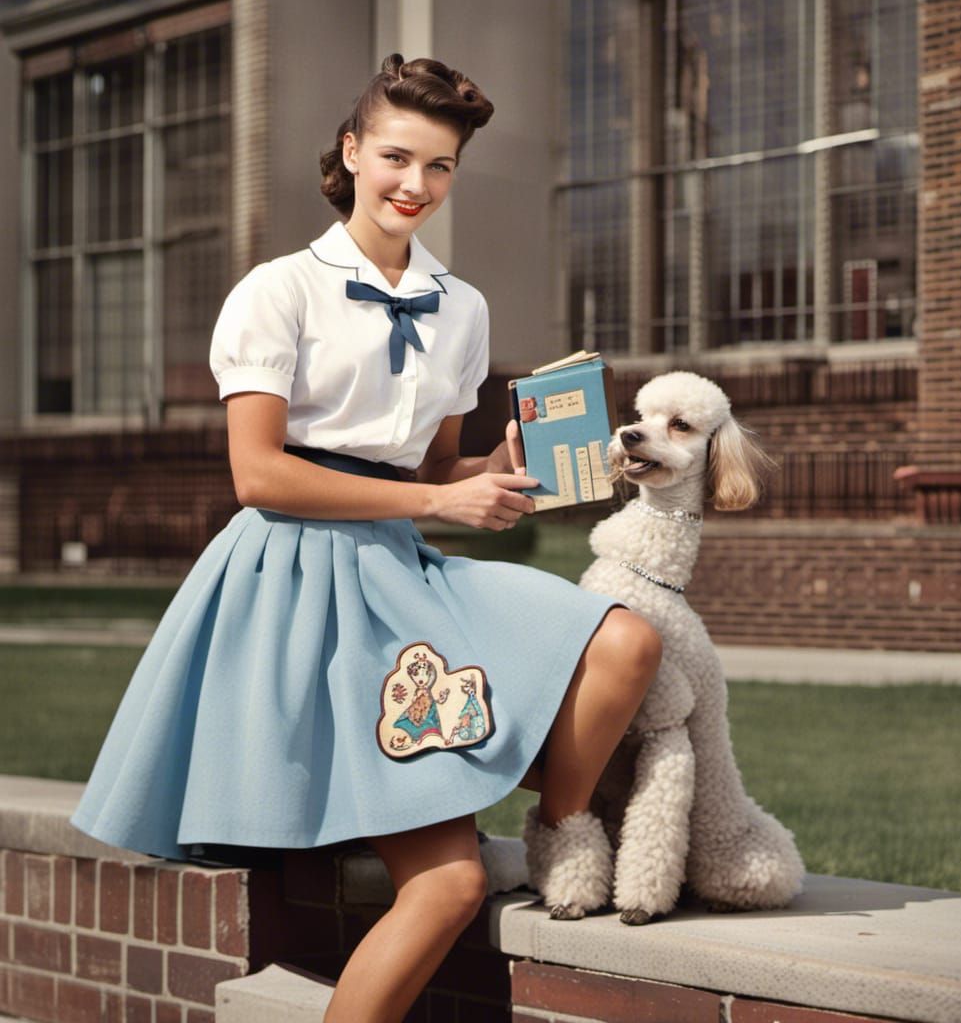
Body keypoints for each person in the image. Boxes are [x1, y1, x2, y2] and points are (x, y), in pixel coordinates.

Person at [69, 54, 662, 1022]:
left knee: (627, 640)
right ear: (351, 152)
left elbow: (433, 469)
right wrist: (436, 504)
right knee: (449, 884)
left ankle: (560, 837)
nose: (415, 184)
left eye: (440, 166)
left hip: (401, 565)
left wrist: (497, 469)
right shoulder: (277, 291)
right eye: (395, 157)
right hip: (293, 585)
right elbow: (258, 476)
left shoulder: (460, 308)